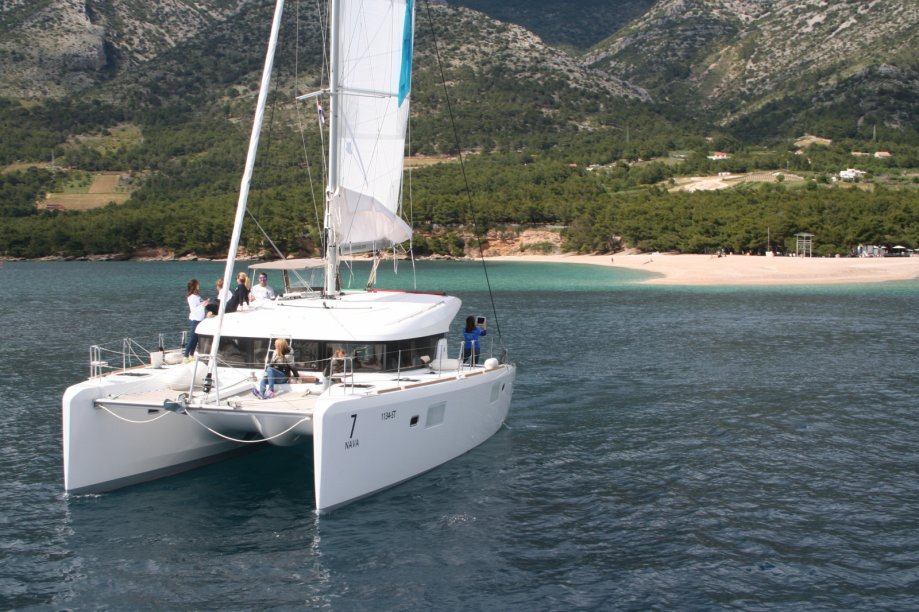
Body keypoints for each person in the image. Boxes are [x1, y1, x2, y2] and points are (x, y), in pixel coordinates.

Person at [183, 279, 209, 360]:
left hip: (200, 319)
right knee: (192, 338)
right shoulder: (192, 297)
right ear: (194, 286)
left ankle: (191, 355)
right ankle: (185, 356)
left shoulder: (197, 296)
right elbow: (193, 309)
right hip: (195, 319)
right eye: (197, 284)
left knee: (196, 339)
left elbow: (200, 304)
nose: (199, 285)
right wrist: (203, 305)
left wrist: (205, 303)